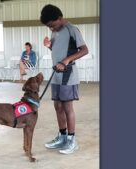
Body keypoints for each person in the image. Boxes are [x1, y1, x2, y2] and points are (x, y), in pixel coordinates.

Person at [40, 4, 89, 154]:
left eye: (52, 25)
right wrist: (49, 46)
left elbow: (85, 50)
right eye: (48, 26)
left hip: (68, 75)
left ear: (60, 18)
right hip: (56, 75)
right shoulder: (56, 31)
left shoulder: (72, 29)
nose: (51, 29)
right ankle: (62, 137)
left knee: (68, 108)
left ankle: (72, 140)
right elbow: (58, 50)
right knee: (58, 107)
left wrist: (66, 60)